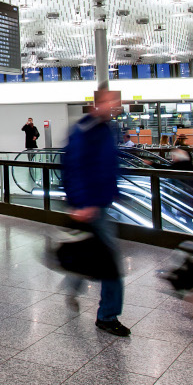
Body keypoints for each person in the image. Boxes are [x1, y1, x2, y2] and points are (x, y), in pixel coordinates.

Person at [61, 89, 130, 338]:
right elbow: (73, 166)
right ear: (97, 103)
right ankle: (107, 316)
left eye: (116, 103)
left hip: (100, 202)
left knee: (93, 251)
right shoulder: (84, 130)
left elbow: (108, 163)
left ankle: (73, 281)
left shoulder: (106, 129)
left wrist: (113, 190)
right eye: (111, 102)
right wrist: (80, 203)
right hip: (90, 204)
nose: (115, 107)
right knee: (111, 265)